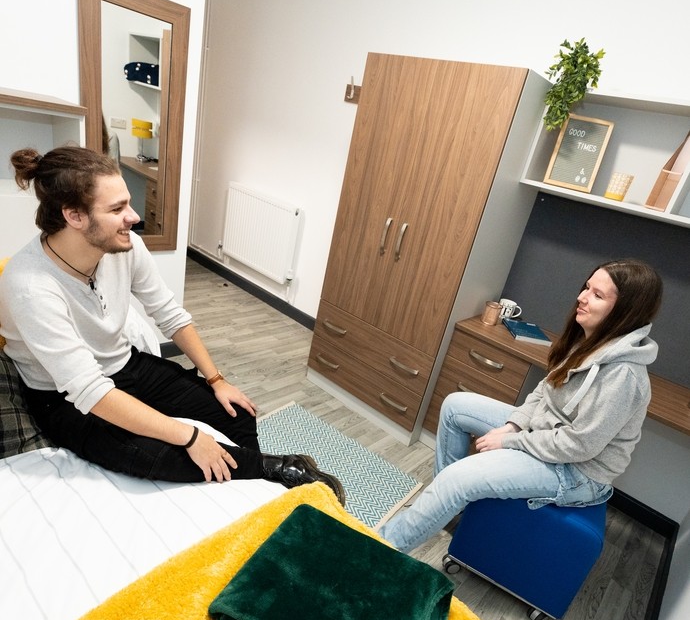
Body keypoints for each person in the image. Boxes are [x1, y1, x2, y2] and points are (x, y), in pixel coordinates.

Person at [0, 145, 345, 504]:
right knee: (160, 456)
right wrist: (192, 438)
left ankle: (252, 481)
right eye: (117, 209)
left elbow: (169, 313)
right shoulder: (29, 285)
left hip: (124, 364)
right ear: (74, 216)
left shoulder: (127, 247)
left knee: (237, 414)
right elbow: (91, 392)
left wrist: (217, 380)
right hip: (65, 398)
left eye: (128, 203)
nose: (133, 217)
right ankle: (278, 471)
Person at [379, 259, 663, 553]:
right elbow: (546, 389)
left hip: (577, 471)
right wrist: (514, 423)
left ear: (625, 313)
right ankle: (448, 507)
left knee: (457, 478)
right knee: (455, 407)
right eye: (587, 287)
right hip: (545, 434)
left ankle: (378, 547)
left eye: (597, 295)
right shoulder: (591, 340)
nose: (581, 297)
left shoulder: (623, 375)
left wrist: (511, 441)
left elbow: (579, 446)